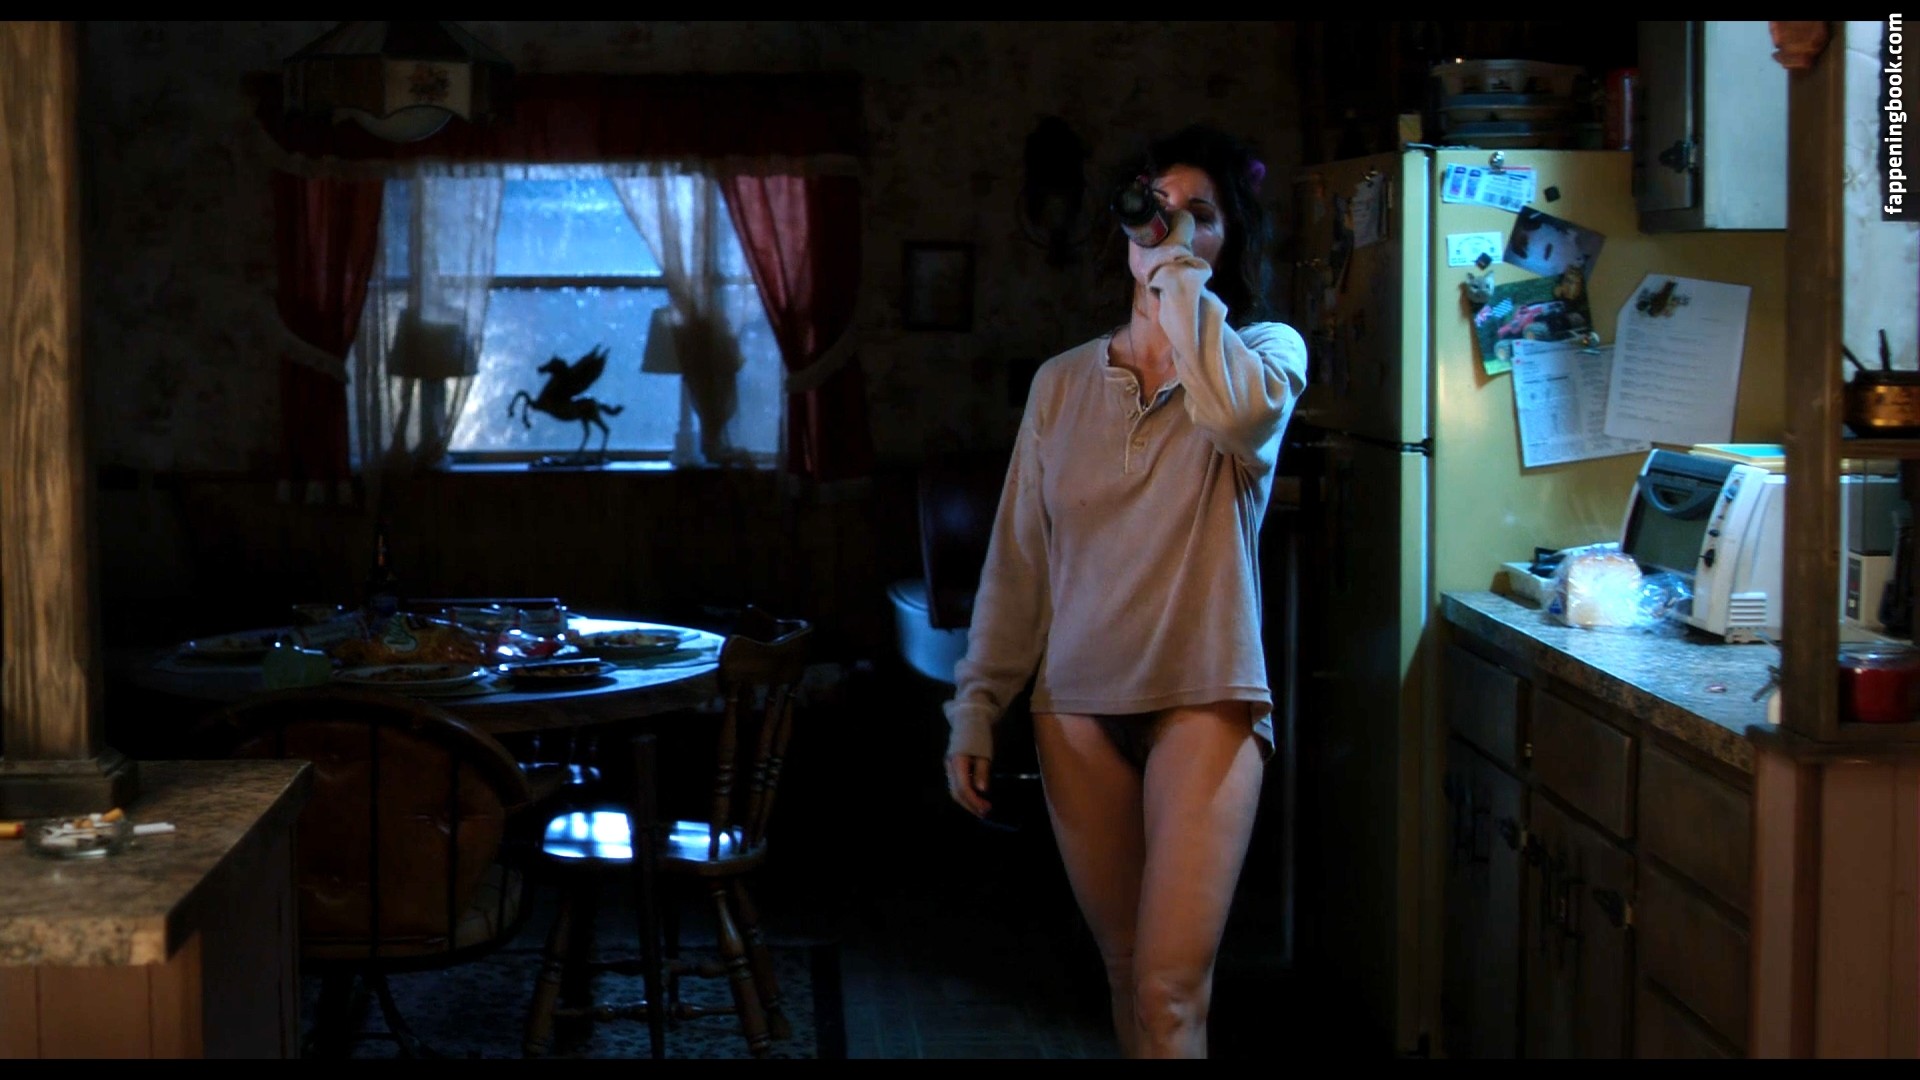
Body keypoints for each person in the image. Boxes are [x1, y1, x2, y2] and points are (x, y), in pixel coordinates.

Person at [941, 123, 1308, 1059]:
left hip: (1205, 693)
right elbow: (1019, 562)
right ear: (1124, 226)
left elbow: (1237, 417)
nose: (1174, 227)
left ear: (1229, 241)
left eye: (1202, 215)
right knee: (1124, 973)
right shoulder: (1062, 384)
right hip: (1077, 704)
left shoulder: (1264, 354)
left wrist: (1178, 277)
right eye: (1158, 208)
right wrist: (977, 705)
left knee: (1169, 991)